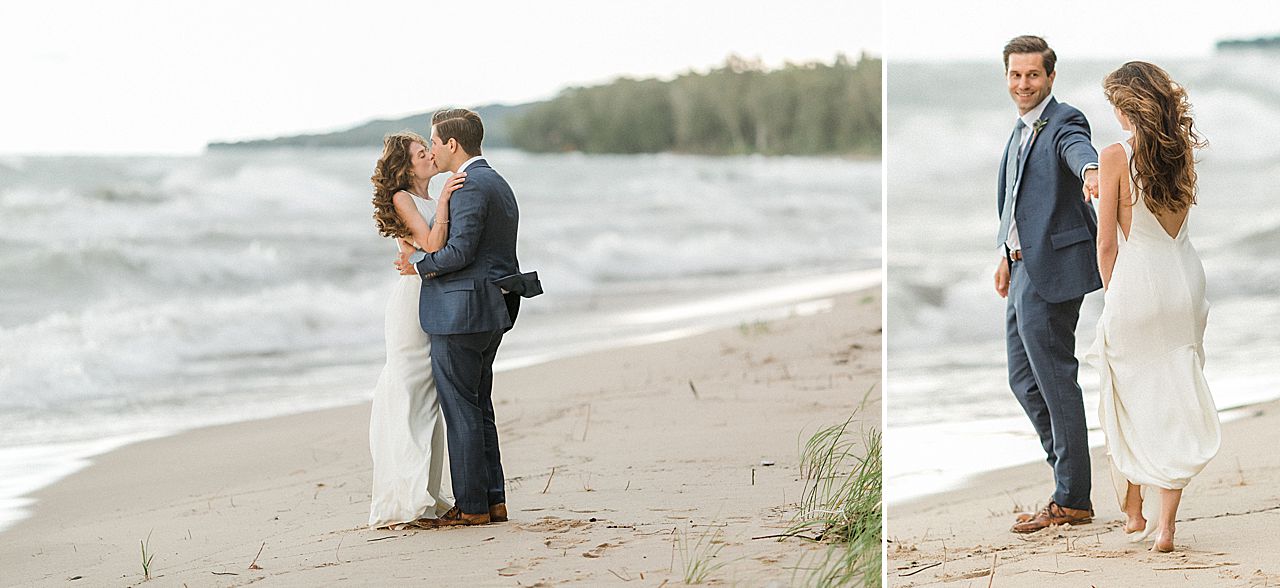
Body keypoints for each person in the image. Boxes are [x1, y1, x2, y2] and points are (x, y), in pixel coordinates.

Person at [1086, 61, 1220, 553]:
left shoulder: (1114, 155)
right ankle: (1161, 525)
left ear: (1126, 105)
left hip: (1139, 282)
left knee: (1125, 389)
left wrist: (1111, 294)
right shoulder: (1179, 149)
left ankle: (1133, 506)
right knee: (1174, 392)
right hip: (1185, 277)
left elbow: (1107, 245)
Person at [396, 108, 539, 527]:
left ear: (452, 144)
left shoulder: (470, 186)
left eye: (435, 142)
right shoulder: (496, 180)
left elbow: (459, 253)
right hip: (490, 308)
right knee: (478, 407)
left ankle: (473, 506)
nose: (433, 149)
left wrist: (418, 265)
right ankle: (493, 501)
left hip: (464, 313)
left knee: (461, 410)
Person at [992, 35, 1103, 533]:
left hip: (1053, 271)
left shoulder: (1064, 120)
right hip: (1021, 268)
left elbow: (1077, 149)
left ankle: (1072, 497)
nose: (1023, 83)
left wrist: (1092, 170)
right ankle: (1066, 481)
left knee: (1055, 378)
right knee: (1023, 379)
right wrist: (1004, 254)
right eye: (1015, 75)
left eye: (1032, 75)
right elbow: (1018, 199)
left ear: (1050, 77)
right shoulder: (1018, 131)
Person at [367, 131, 467, 528]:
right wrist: (444, 201)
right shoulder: (403, 198)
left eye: (428, 150)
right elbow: (430, 242)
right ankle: (408, 498)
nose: (429, 156)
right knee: (412, 394)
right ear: (407, 166)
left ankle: (423, 492)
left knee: (429, 398)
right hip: (412, 304)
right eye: (421, 153)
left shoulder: (424, 198)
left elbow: (435, 251)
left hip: (429, 294)